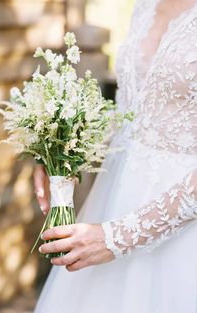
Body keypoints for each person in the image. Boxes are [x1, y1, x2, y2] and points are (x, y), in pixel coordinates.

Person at [33, 0, 197, 312]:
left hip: (182, 231)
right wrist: (64, 152)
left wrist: (117, 238)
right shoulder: (145, 5)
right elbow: (133, 112)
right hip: (111, 200)